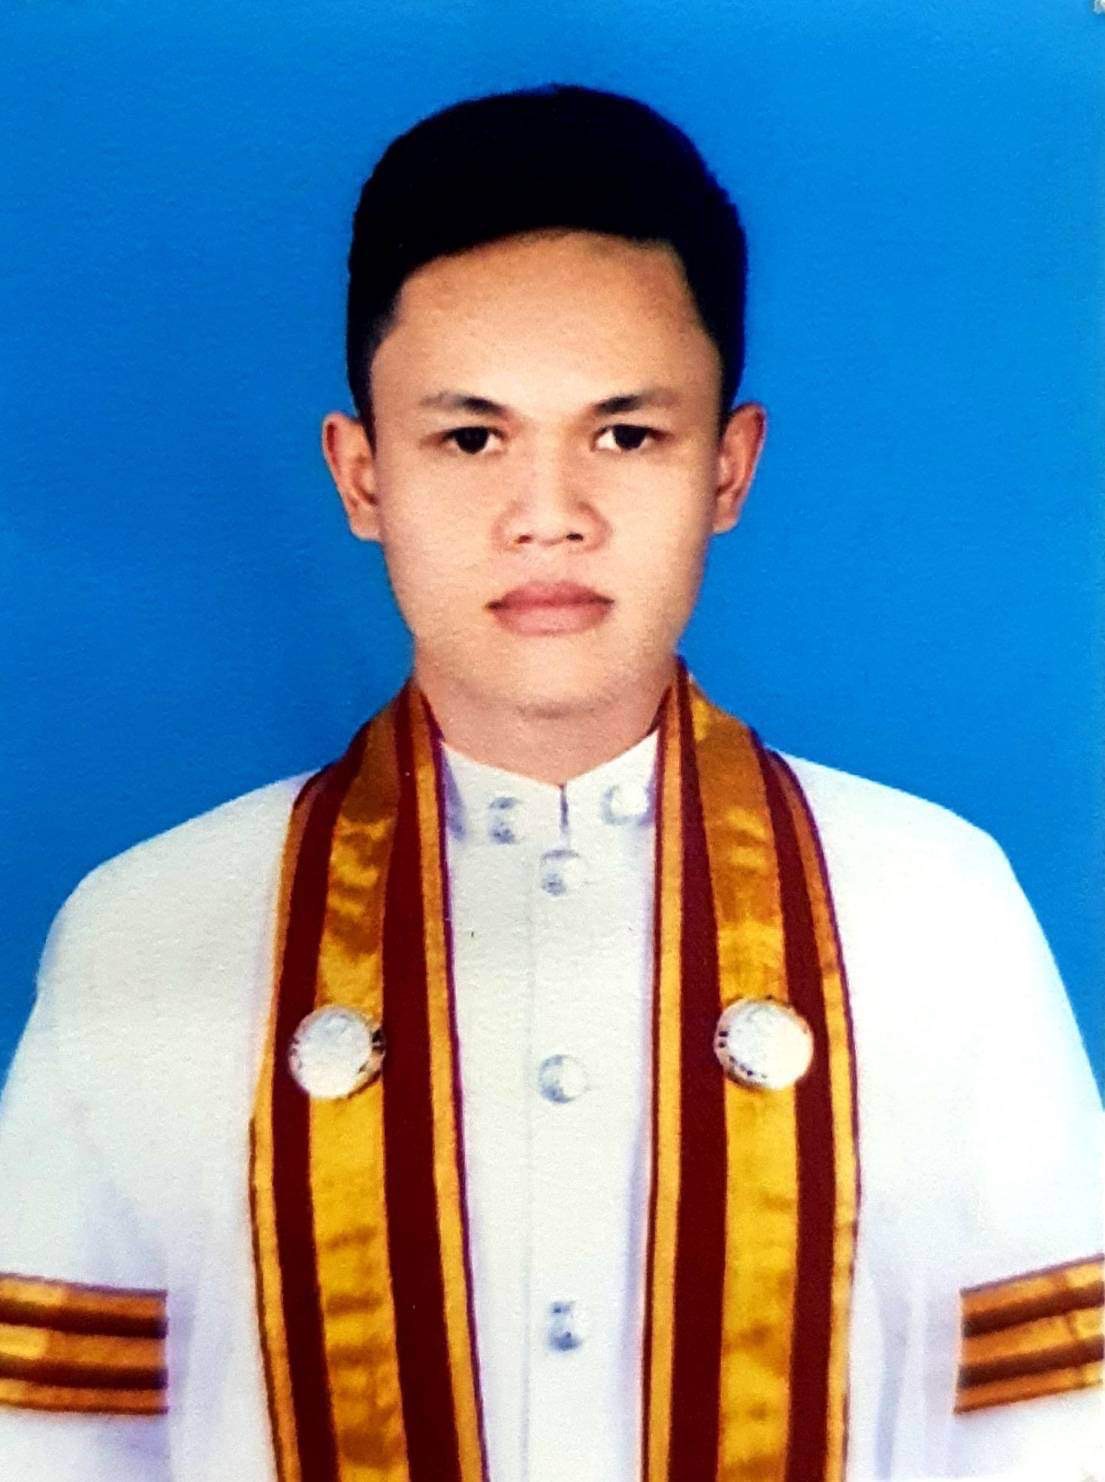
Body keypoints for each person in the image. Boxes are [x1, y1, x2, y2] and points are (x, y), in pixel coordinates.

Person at [0, 82, 1100, 1482]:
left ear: (729, 467)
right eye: (471, 437)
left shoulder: (933, 909)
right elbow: (53, 1446)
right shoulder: (146, 930)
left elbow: (1052, 1434)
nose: (548, 515)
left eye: (624, 435)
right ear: (361, 474)